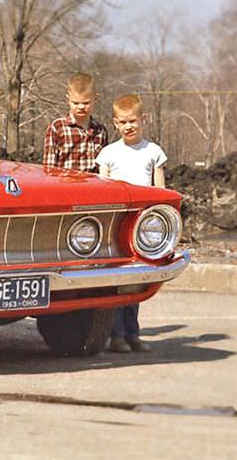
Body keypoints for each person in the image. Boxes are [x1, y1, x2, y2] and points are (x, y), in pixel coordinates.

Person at [96, 94, 168, 353]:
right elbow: (101, 191)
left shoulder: (153, 152)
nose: (129, 126)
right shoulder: (108, 154)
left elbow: (161, 191)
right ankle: (116, 336)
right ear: (115, 123)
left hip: (141, 225)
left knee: (135, 280)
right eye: (123, 122)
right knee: (116, 280)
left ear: (143, 119)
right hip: (115, 223)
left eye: (133, 121)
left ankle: (132, 334)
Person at [43, 73, 108, 172]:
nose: (81, 107)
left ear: (95, 99)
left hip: (93, 185)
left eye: (86, 103)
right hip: (64, 185)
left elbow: (105, 166)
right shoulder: (57, 128)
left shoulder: (100, 131)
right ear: (68, 99)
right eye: (76, 103)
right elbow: (49, 168)